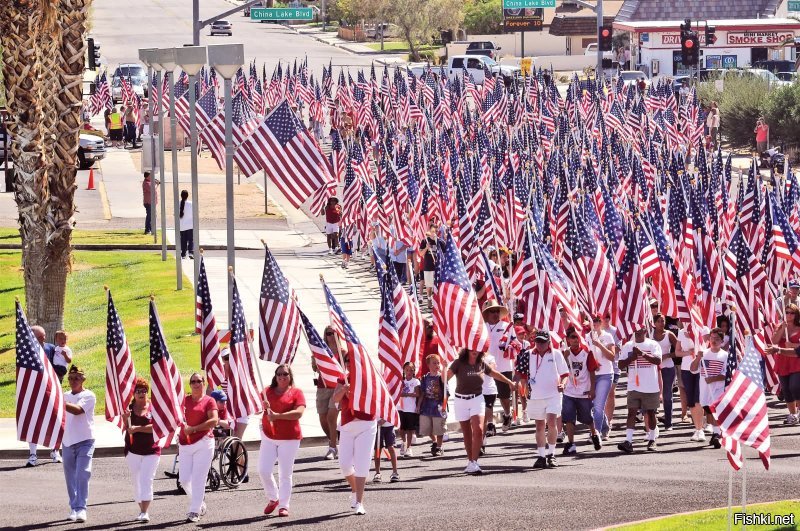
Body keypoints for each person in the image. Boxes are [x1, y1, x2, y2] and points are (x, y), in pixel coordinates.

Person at [447, 348, 515, 474]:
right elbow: (446, 377)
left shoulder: (482, 364)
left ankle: (474, 462)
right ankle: (470, 461)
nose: (474, 351)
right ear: (466, 350)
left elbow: (494, 373)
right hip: (460, 400)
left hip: (477, 399)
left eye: (477, 349)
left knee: (478, 430)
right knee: (466, 432)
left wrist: (509, 382)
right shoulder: (458, 363)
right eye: (472, 349)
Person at [514, 330, 569, 469]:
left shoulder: (556, 354)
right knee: (539, 425)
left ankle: (551, 454)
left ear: (548, 342)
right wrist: (517, 384)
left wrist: (563, 384)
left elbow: (565, 374)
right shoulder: (528, 355)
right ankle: (541, 456)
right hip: (535, 395)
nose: (540, 344)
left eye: (543, 342)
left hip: (553, 394)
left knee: (551, 422)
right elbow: (520, 373)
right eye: (538, 341)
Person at [260, 364, 306, 518]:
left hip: (289, 438)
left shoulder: (296, 392)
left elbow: (298, 413)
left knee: (285, 474)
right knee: (263, 470)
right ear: (275, 375)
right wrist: (262, 406)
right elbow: (256, 409)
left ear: (290, 376)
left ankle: (284, 505)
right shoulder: (267, 391)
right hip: (268, 436)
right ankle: (274, 498)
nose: (282, 376)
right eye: (279, 374)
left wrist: (277, 415)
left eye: (285, 374)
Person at [333, 373, 377, 516]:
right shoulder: (343, 379)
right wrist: (344, 390)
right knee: (344, 465)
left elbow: (375, 398)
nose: (349, 362)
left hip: (366, 424)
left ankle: (359, 502)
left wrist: (358, 392)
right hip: (347, 424)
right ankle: (354, 489)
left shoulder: (369, 377)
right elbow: (335, 399)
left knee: (362, 464)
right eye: (347, 360)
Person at [179, 372, 218, 523]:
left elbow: (214, 420)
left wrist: (194, 428)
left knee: (198, 479)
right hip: (185, 443)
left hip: (204, 442)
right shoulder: (184, 401)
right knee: (184, 479)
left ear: (204, 383)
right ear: (190, 385)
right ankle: (200, 503)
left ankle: (194, 511)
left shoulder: (209, 401)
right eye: (193, 381)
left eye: (199, 381)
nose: (196, 384)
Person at [617, 326, 663, 453]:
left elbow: (658, 361)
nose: (637, 332)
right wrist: (631, 358)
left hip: (650, 385)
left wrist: (642, 354)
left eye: (640, 330)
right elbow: (620, 365)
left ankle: (652, 439)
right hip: (634, 386)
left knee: (650, 413)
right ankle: (628, 441)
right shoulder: (628, 345)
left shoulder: (653, 344)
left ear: (645, 331)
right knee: (631, 412)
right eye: (635, 330)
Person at [122, 376, 160, 523]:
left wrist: (138, 429)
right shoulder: (129, 409)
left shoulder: (153, 408)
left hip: (151, 450)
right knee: (136, 481)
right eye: (137, 391)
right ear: (133, 393)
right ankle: (141, 508)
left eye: (143, 390)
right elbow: (126, 427)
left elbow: (156, 427)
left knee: (146, 479)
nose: (141, 393)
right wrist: (125, 419)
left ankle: (145, 511)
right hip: (133, 451)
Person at [62, 365, 96, 523]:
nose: (73, 381)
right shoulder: (64, 395)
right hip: (67, 441)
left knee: (82, 473)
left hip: (85, 441)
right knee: (70, 478)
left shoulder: (89, 395)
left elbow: (77, 410)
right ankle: (74, 507)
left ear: (83, 379)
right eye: (70, 378)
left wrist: (58, 402)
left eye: (77, 378)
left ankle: (81, 508)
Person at [561, 328, 601, 455]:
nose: (575, 340)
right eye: (572, 337)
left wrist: (593, 389)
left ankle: (594, 434)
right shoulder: (565, 354)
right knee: (569, 418)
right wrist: (564, 357)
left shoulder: (586, 353)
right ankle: (571, 443)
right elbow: (560, 369)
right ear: (568, 339)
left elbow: (592, 371)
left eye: (577, 337)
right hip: (569, 390)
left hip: (584, 391)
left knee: (587, 418)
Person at [482, 300, 517, 433]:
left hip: (503, 366)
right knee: (488, 397)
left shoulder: (507, 326)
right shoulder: (482, 327)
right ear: (487, 313)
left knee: (504, 397)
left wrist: (512, 346)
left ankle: (507, 414)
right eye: (492, 311)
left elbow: (516, 344)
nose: (495, 313)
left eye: (497, 311)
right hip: (486, 367)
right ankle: (491, 424)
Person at [26, 326, 59, 467]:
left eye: (44, 336)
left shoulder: (51, 348)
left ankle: (55, 450)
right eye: (40, 337)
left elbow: (59, 367)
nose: (43, 339)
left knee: (54, 420)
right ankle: (33, 454)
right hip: (32, 391)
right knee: (32, 422)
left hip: (50, 390)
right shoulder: (25, 350)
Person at [691, 328, 728, 449]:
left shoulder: (725, 355)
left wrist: (713, 379)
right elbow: (692, 369)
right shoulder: (704, 354)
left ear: (722, 341)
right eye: (712, 338)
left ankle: (717, 434)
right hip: (705, 390)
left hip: (718, 389)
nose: (714, 341)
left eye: (717, 339)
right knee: (708, 412)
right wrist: (697, 358)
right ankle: (716, 433)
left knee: (715, 411)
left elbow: (728, 375)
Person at [313, 326, 342, 459]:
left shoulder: (343, 352)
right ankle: (334, 438)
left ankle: (332, 447)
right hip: (322, 386)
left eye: (334, 333)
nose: (331, 336)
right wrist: (315, 360)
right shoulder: (321, 351)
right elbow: (315, 368)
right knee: (322, 418)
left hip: (337, 387)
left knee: (331, 417)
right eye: (329, 333)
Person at [769, 303, 800, 424]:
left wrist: (792, 345)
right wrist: (782, 329)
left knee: (795, 386)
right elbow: (774, 342)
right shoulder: (781, 326)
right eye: (787, 312)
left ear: (796, 314)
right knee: (786, 390)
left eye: (792, 312)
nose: (789, 315)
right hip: (783, 361)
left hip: (796, 360)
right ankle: (792, 415)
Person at [676, 326, 706, 441]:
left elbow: (707, 346)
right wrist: (688, 352)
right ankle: (697, 429)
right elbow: (677, 352)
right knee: (691, 401)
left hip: (700, 368)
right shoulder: (681, 331)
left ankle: (701, 429)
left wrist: (694, 337)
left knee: (699, 398)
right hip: (686, 368)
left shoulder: (703, 329)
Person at [588, 316, 616, 440]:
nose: (596, 323)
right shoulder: (587, 336)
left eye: (598, 320)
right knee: (594, 406)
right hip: (592, 375)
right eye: (593, 321)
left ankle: (596, 433)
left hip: (605, 374)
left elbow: (612, 356)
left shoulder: (608, 336)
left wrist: (599, 345)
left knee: (599, 406)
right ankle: (604, 426)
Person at [651, 314, 677, 430]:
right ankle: (652, 423)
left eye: (663, 321)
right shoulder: (650, 335)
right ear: (654, 323)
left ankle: (669, 422)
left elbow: (679, 350)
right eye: (659, 321)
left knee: (667, 395)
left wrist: (667, 355)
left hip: (668, 368)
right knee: (652, 395)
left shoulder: (669, 335)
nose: (662, 323)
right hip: (652, 369)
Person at [418, 354, 447, 456]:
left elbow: (446, 394)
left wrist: (444, 406)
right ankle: (434, 441)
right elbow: (422, 393)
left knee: (439, 428)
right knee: (427, 428)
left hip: (438, 406)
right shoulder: (425, 378)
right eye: (434, 363)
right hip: (427, 406)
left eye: (438, 363)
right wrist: (418, 406)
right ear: (428, 365)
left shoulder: (442, 378)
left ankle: (439, 447)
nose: (437, 365)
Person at [397, 362, 420, 458]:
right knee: (401, 428)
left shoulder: (416, 381)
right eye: (407, 370)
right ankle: (404, 442)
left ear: (414, 371)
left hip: (410, 408)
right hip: (401, 407)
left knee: (410, 429)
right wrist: (407, 394)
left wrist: (406, 394)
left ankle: (409, 447)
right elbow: (398, 393)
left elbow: (417, 393)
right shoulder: (401, 381)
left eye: (411, 370)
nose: (409, 372)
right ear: (404, 371)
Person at [419, 223, 442, 307]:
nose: (434, 232)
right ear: (430, 230)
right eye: (433, 231)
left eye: (436, 231)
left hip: (437, 267)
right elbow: (421, 254)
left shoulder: (439, 242)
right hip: (428, 266)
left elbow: (445, 253)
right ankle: (429, 298)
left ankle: (436, 301)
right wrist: (426, 248)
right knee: (429, 286)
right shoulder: (425, 241)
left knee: (437, 285)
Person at [373, 417, 400, 483]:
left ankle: (395, 472)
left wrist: (384, 419)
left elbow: (392, 410)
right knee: (377, 449)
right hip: (376, 425)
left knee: (391, 447)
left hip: (389, 425)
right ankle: (377, 473)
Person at [179, 189, 194, 259]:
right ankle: (191, 252)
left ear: (181, 196)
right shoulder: (191, 204)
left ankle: (183, 254)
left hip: (182, 226)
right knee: (191, 239)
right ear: (187, 196)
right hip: (190, 225)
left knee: (183, 240)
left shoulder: (178, 203)